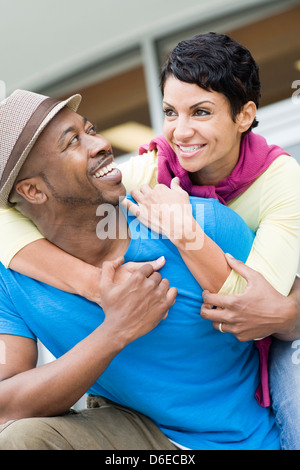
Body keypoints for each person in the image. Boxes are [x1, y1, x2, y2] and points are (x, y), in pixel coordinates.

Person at [0, 33, 300, 446]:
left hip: (247, 411)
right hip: (141, 434)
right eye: (171, 112)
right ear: (31, 193)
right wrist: (112, 320)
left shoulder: (250, 198)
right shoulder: (152, 169)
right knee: (22, 439)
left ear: (245, 115)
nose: (182, 131)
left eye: (201, 112)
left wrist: (188, 236)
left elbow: (266, 302)